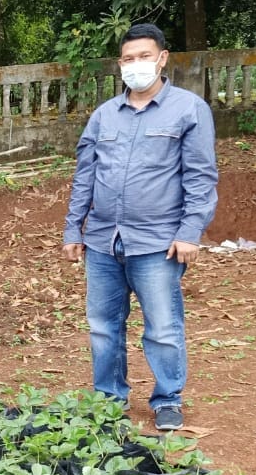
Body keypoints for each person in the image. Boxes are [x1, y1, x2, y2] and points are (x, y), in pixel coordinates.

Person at [61, 23, 218, 431]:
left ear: (163, 58)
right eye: (129, 59)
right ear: (120, 65)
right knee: (102, 326)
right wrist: (72, 229)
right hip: (102, 240)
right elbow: (84, 177)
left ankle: (167, 398)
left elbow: (200, 178)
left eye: (144, 56)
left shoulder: (188, 110)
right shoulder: (103, 116)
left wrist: (189, 232)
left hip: (158, 243)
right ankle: (109, 397)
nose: (136, 65)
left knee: (163, 326)